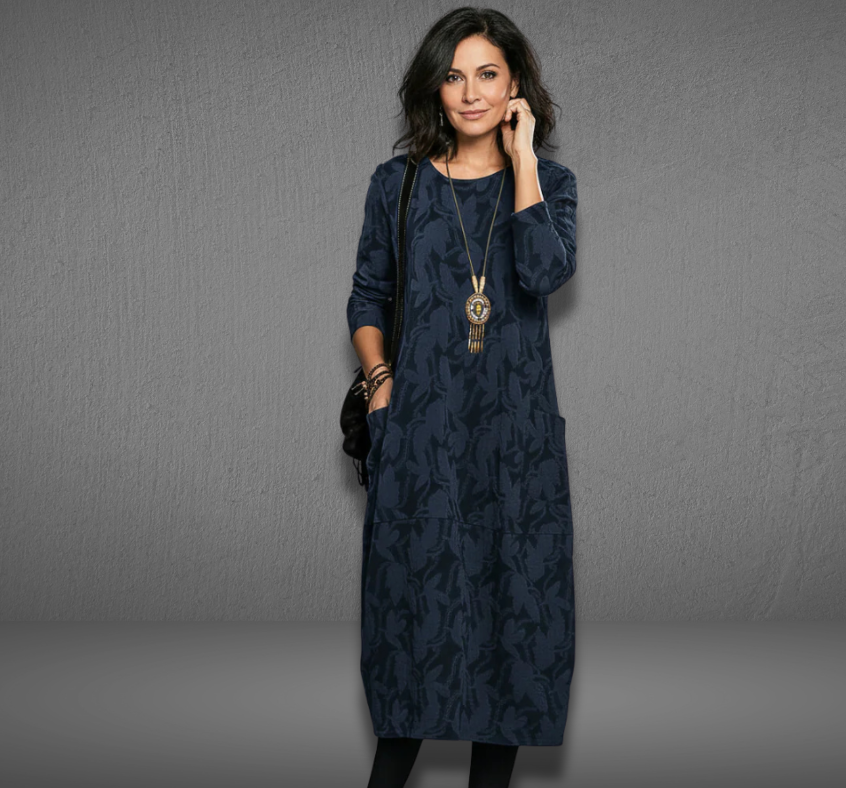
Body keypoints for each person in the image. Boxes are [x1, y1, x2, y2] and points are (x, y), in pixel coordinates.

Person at [346, 7, 578, 787]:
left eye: (488, 74)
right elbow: (368, 296)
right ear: (434, 87)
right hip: (422, 440)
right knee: (414, 623)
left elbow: (542, 273)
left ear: (515, 87)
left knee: (512, 620)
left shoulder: (551, 185)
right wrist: (381, 388)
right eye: (454, 75)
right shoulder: (398, 184)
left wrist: (523, 160)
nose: (471, 92)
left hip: (514, 446)